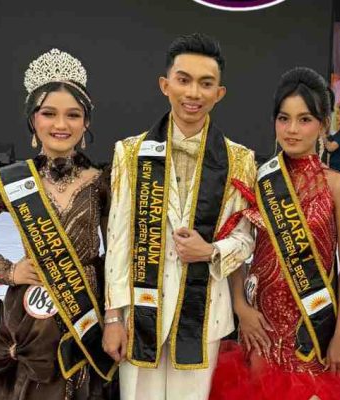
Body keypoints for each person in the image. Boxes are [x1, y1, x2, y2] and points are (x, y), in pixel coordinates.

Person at [0, 48, 116, 399]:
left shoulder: (102, 180)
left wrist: (115, 313)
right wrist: (8, 271)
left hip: (86, 305)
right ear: (33, 120)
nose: (61, 125)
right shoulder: (13, 181)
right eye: (48, 113)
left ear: (86, 123)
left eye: (73, 115)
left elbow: (114, 251)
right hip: (31, 313)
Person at [101, 33, 256, 400]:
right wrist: (113, 317)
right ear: (165, 85)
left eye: (206, 83)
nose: (193, 93)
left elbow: (246, 239)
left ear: (219, 93)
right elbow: (118, 240)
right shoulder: (130, 152)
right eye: (183, 80)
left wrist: (211, 251)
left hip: (204, 315)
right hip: (138, 314)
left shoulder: (240, 159)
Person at [209, 67, 340, 400]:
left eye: (304, 119)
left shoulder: (339, 187)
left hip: (313, 327)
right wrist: (241, 308)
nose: (292, 130)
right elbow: (235, 247)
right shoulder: (258, 178)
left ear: (323, 124)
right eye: (284, 118)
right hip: (261, 325)